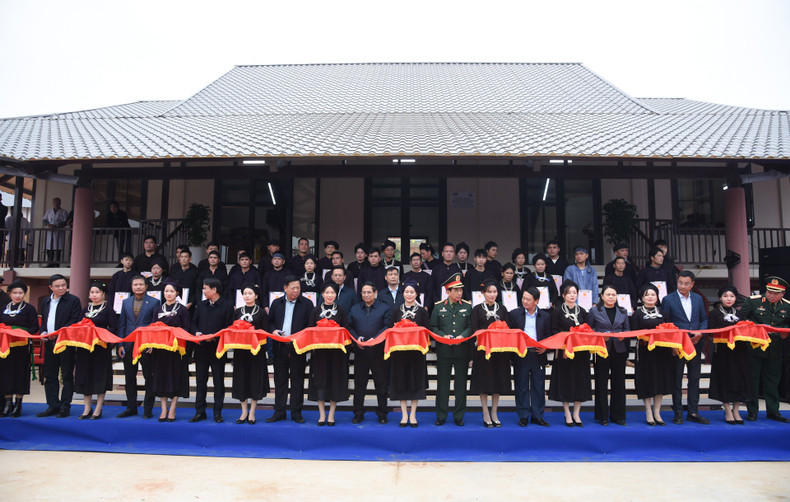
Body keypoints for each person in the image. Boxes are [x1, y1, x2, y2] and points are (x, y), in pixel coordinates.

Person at [662, 270, 709, 424]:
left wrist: (700, 333)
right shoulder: (668, 299)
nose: (683, 286)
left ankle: (693, 412)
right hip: (678, 345)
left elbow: (704, 319)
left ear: (692, 284)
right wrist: (672, 345)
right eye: (680, 283)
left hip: (696, 343)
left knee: (694, 379)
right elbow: (666, 324)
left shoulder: (698, 299)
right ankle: (678, 412)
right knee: (677, 379)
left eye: (686, 283)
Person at [741, 276, 790, 422]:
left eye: (776, 293)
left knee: (773, 381)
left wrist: (785, 332)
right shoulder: (753, 301)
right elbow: (741, 319)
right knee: (753, 380)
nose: (771, 295)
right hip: (754, 347)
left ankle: (773, 411)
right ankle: (752, 411)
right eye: (769, 291)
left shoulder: (787, 306)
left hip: (775, 348)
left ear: (782, 294)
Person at [267, 276, 313, 423]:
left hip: (298, 348)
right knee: (280, 381)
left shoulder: (306, 304)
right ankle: (279, 412)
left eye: (298, 288)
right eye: (293, 288)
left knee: (297, 381)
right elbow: (270, 322)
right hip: (280, 347)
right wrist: (273, 330)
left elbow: (310, 325)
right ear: (285, 288)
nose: (296, 291)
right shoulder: (276, 303)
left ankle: (296, 413)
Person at [430, 272, 473, 426]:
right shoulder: (439, 307)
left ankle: (459, 415)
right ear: (448, 291)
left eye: (461, 290)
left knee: (460, 385)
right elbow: (433, 326)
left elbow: (471, 327)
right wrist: (442, 336)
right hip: (444, 351)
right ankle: (441, 415)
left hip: (462, 351)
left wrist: (463, 335)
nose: (459, 293)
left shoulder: (468, 307)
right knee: (443, 385)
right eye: (456, 290)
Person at [37, 274, 83, 418]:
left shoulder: (73, 300)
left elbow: (75, 321)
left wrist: (58, 333)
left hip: (65, 343)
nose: (62, 288)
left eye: (64, 285)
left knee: (67, 375)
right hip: (50, 342)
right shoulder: (45, 301)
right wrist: (43, 332)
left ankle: (65, 406)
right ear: (51, 287)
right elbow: (45, 320)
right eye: (58, 286)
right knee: (50, 375)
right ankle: (52, 405)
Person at [191, 277, 235, 423]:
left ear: (214, 289)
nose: (203, 291)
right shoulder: (201, 305)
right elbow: (193, 323)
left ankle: (217, 411)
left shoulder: (227, 306)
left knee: (218, 381)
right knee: (200, 381)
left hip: (218, 349)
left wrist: (214, 338)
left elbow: (229, 328)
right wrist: (197, 333)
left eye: (205, 288)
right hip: (201, 348)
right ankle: (200, 411)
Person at [708, 285, 753, 424]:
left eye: (732, 296)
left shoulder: (740, 314)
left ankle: (736, 410)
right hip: (723, 352)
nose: (729, 299)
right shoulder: (715, 313)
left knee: (739, 379)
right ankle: (727, 409)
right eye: (726, 296)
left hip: (739, 352)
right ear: (720, 297)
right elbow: (710, 333)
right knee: (725, 379)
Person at [116, 275, 159, 418]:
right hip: (128, 345)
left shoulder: (154, 302)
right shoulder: (126, 302)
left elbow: (155, 326)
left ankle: (148, 409)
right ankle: (131, 407)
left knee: (149, 378)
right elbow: (122, 323)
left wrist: (152, 343)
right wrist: (120, 343)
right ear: (131, 286)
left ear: (146, 286)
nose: (138, 287)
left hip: (146, 345)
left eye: (141, 284)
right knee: (129, 378)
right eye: (135, 284)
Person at [548, 280, 591, 427]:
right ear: (563, 295)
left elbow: (588, 331)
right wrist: (566, 341)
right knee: (565, 382)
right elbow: (553, 331)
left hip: (580, 353)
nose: (572, 295)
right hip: (564, 353)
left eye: (575, 293)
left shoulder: (582, 311)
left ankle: (577, 413)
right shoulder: (558, 311)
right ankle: (567, 413)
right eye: (569, 293)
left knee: (580, 381)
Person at [348, 282, 392, 424]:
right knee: (359, 384)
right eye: (363, 292)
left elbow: (387, 326)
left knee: (381, 384)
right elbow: (349, 327)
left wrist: (376, 339)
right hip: (361, 352)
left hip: (378, 352)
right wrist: (356, 340)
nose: (366, 295)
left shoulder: (384, 308)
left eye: (368, 292)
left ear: (375, 293)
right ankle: (358, 413)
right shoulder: (354, 309)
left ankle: (382, 413)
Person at [470, 279, 511, 427]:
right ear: (483, 293)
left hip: (499, 352)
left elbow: (508, 329)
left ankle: (494, 411)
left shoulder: (502, 309)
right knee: (484, 382)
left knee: (497, 381)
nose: (492, 294)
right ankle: (485, 411)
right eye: (489, 292)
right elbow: (474, 331)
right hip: (483, 352)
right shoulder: (477, 309)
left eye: (494, 292)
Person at [508, 287, 551, 427]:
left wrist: (546, 347)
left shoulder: (545, 316)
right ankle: (523, 415)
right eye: (523, 298)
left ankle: (538, 416)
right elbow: (510, 335)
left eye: (528, 299)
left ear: (536, 301)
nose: (524, 301)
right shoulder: (514, 314)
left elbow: (549, 335)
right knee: (521, 385)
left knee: (538, 386)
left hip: (538, 354)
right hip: (522, 354)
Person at [588, 284, 631, 426]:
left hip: (619, 351)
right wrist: (600, 336)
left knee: (618, 384)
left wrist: (622, 337)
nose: (611, 297)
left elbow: (627, 332)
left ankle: (618, 416)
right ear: (602, 296)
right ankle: (603, 416)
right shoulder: (594, 311)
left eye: (613, 294)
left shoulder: (623, 311)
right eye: (608, 294)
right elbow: (588, 331)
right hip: (601, 351)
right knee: (601, 383)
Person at [388, 280, 429, 427]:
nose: (409, 294)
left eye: (412, 292)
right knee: (402, 382)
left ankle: (413, 414)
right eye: (407, 292)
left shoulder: (422, 311)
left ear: (416, 294)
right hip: (400, 353)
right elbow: (390, 330)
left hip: (416, 353)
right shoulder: (396, 310)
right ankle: (404, 414)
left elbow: (426, 331)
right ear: (402, 293)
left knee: (415, 383)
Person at [307, 282, 349, 426]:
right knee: (320, 381)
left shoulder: (342, 310)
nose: (329, 295)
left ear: (336, 294)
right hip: (319, 353)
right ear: (322, 294)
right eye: (326, 292)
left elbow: (346, 331)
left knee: (334, 381)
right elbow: (310, 331)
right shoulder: (315, 310)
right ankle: (321, 414)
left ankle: (331, 414)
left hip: (336, 354)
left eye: (332, 292)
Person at [632, 283, 673, 426]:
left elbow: (670, 331)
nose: (650, 297)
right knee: (647, 380)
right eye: (647, 295)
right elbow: (633, 333)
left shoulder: (663, 313)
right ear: (642, 298)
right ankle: (648, 411)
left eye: (653, 294)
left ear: (657, 297)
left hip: (661, 352)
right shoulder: (637, 314)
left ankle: (657, 411)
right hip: (645, 352)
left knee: (660, 380)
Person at [75, 281, 117, 420]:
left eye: (97, 292)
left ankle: (98, 408)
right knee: (85, 376)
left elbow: (113, 328)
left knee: (99, 377)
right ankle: (87, 407)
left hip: (101, 348)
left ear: (103, 294)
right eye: (92, 292)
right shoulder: (85, 309)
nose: (94, 295)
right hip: (85, 349)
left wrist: (100, 335)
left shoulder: (108, 310)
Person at [152, 280, 191, 422]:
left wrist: (173, 332)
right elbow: (152, 328)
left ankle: (173, 407)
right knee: (161, 377)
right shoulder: (158, 309)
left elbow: (187, 329)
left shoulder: (182, 310)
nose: (168, 294)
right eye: (166, 291)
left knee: (175, 377)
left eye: (171, 291)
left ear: (177, 293)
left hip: (176, 349)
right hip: (161, 349)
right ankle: (163, 408)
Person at [232, 284, 269, 425]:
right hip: (241, 351)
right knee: (242, 379)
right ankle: (243, 411)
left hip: (256, 352)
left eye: (250, 293)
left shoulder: (261, 312)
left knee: (254, 380)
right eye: (245, 293)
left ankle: (252, 411)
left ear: (256, 296)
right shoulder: (237, 312)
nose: (247, 296)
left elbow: (265, 333)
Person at [0, 281, 38, 418]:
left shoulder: (29, 308)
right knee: (6, 373)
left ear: (24, 294)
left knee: (19, 373)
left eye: (20, 293)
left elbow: (35, 327)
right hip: (6, 347)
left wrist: (24, 333)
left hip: (21, 347)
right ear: (9, 294)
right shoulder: (4, 308)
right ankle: (8, 404)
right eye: (15, 293)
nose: (17, 295)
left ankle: (18, 404)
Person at [430, 243, 462, 308]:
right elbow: (432, 287)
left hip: (454, 304)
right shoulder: (436, 269)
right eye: (446, 251)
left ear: (454, 254)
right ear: (442, 254)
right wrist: (436, 300)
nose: (449, 253)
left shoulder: (457, 270)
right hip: (438, 303)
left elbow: (460, 288)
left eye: (451, 251)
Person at [42, 197, 68, 267]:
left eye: (57, 202)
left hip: (58, 232)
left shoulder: (63, 212)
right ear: (53, 203)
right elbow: (44, 220)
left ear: (60, 203)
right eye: (54, 202)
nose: (56, 203)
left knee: (58, 249)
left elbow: (65, 222)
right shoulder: (49, 211)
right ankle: (50, 262)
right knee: (49, 248)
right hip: (50, 232)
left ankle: (57, 264)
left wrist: (57, 226)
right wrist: (48, 225)